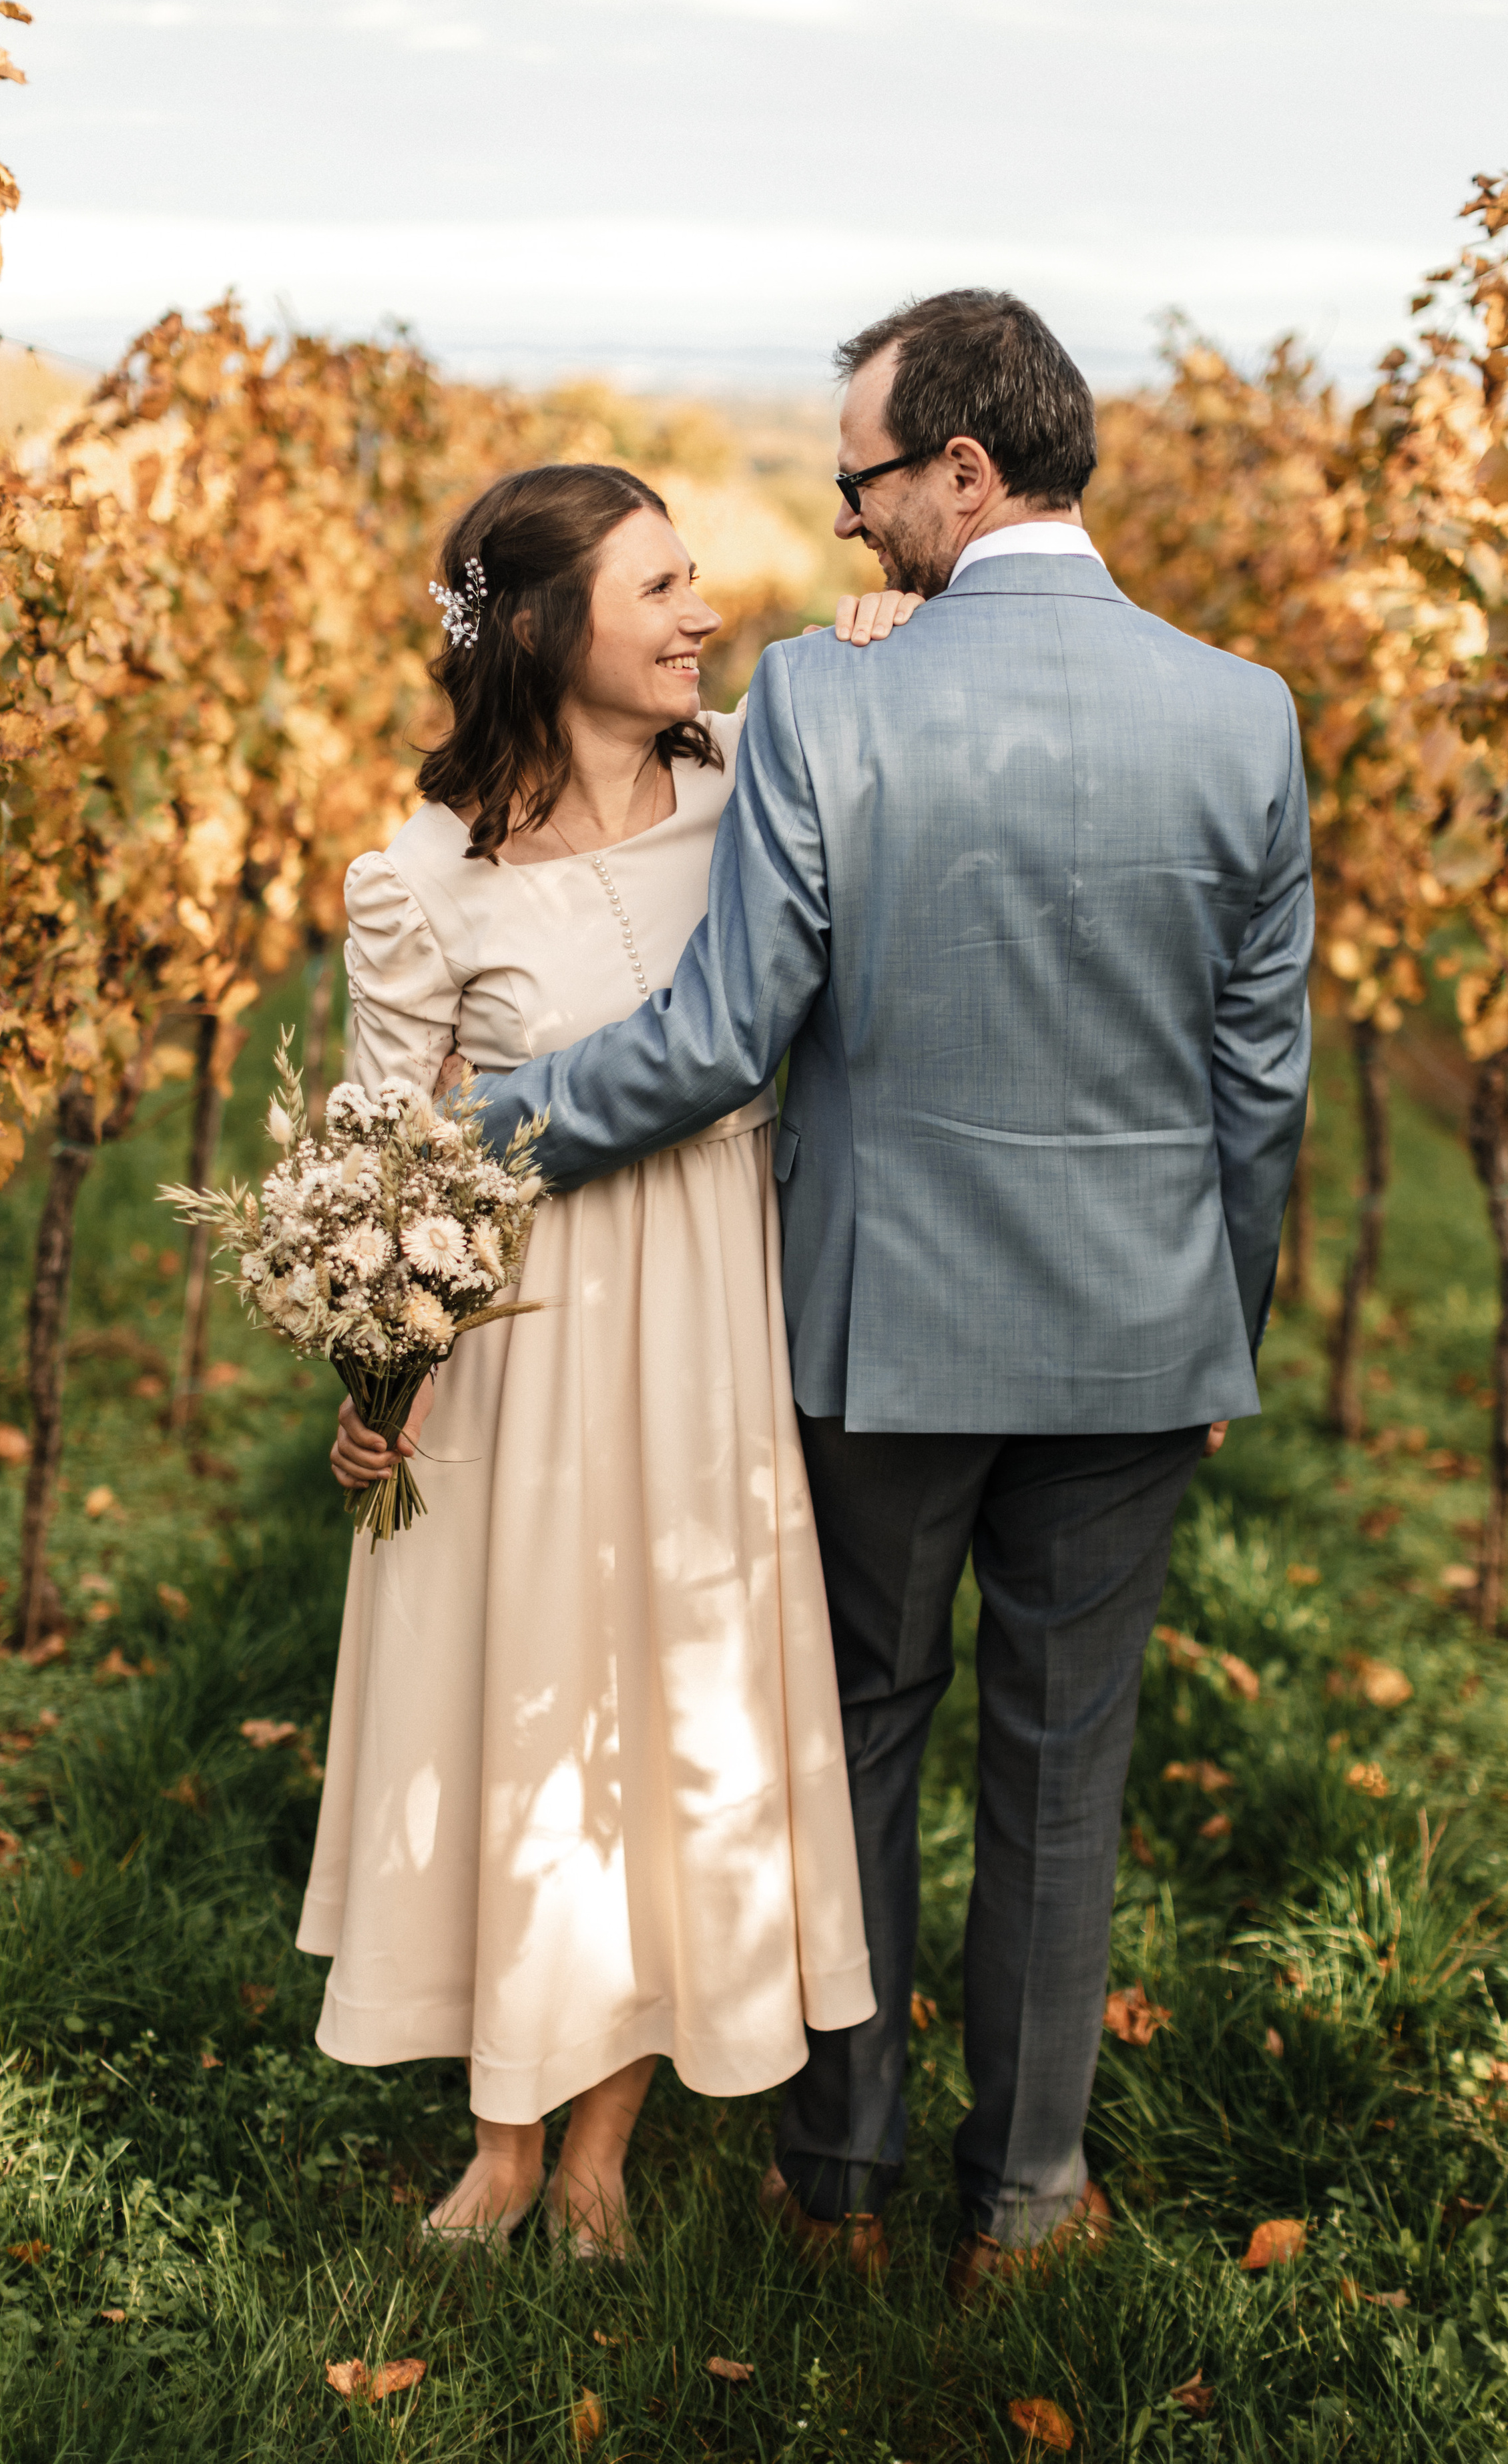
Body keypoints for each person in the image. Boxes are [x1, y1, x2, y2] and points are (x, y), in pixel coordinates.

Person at [467, 291, 1314, 2297]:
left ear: (964, 469)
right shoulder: (1245, 713)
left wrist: (466, 1142)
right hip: (1140, 1334)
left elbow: (717, 1040)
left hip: (882, 1330)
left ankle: (834, 2182)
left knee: (856, 1734)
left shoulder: (829, 703)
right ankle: (1024, 2204)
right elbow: (1259, 1082)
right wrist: (1226, 1325)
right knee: (1065, 1766)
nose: (848, 522)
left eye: (862, 483)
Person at [302, 460, 912, 2258]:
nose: (702, 614)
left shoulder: (745, 794)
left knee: (676, 1699)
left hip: (715, 1314)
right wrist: (377, 1380)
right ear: (549, 626)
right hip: (527, 1342)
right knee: (519, 1699)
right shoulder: (426, 879)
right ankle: (506, 2133)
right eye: (659, 588)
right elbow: (381, 1164)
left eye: (694, 579)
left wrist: (893, 633)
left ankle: (601, 2154)